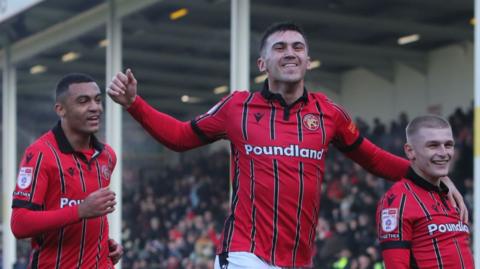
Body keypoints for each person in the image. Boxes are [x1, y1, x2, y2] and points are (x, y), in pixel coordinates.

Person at [107, 22, 466, 268]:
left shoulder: (329, 113)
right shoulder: (237, 108)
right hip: (244, 252)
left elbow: (372, 159)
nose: (290, 52)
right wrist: (135, 105)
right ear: (263, 63)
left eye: (298, 47)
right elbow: (180, 137)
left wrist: (432, 179)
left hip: (299, 257)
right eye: (279, 47)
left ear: (308, 61)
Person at [11, 73, 124, 268]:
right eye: (83, 101)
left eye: (98, 100)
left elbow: (92, 213)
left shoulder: (107, 156)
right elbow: (20, 224)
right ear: (60, 109)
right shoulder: (39, 154)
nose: (95, 108)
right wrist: (80, 211)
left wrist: (102, 243)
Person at [376, 115, 474, 268]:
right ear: (410, 151)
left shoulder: (452, 195)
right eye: (433, 145)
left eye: (448, 145)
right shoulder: (397, 201)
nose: (443, 153)